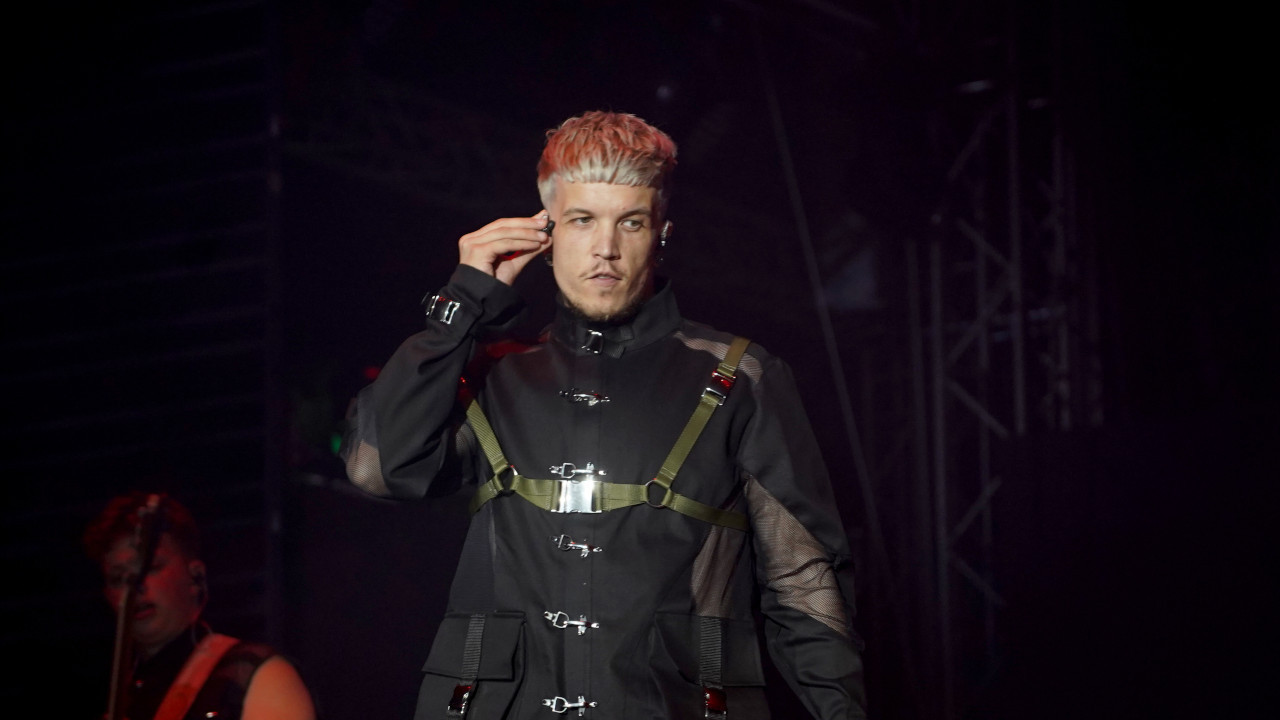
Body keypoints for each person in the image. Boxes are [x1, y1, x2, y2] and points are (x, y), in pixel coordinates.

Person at [343, 110, 866, 719]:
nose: (606, 249)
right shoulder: (493, 373)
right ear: (546, 232)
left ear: (661, 231)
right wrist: (459, 305)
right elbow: (379, 469)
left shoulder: (741, 376)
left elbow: (803, 576)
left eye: (631, 222)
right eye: (582, 220)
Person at [84, 491, 317, 720]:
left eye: (151, 567)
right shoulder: (115, 695)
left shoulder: (257, 673)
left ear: (195, 576)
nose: (136, 587)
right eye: (119, 578)